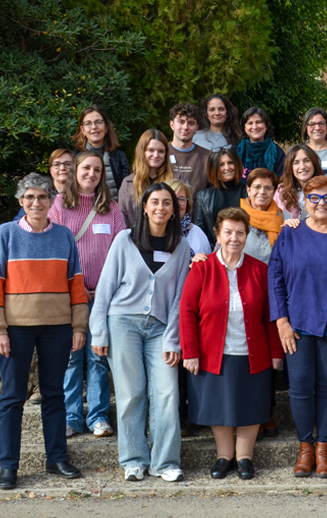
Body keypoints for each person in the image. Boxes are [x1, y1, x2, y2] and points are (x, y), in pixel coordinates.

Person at [0, 173, 88, 490]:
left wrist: (79, 325)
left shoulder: (65, 236)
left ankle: (56, 459)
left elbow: (76, 284)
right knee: (12, 399)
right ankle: (8, 467)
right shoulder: (6, 234)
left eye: (42, 196)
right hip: (15, 329)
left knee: (55, 395)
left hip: (57, 327)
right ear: (20, 202)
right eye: (29, 197)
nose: (36, 202)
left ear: (51, 200)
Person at [90, 182, 191, 483]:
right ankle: (134, 459)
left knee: (167, 393)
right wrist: (98, 333)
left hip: (160, 328)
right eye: (155, 202)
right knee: (131, 393)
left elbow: (179, 300)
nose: (161, 208)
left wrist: (174, 337)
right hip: (122, 323)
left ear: (175, 210)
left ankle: (165, 462)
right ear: (144, 207)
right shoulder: (124, 240)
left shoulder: (182, 246)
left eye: (167, 203)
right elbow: (106, 288)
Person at [269, 176, 327, 478]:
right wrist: (281, 321)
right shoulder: (289, 235)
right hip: (296, 324)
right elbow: (276, 279)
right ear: (304, 201)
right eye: (314, 198)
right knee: (298, 388)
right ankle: (305, 447)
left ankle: (323, 446)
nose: (320, 204)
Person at [180, 208, 284, 480]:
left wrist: (276, 352)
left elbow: (270, 315)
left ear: (246, 235)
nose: (234, 238)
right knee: (219, 406)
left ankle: (245, 457)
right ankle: (225, 456)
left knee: (251, 405)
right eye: (228, 232)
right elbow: (187, 311)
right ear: (217, 234)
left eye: (240, 232)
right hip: (213, 352)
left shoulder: (260, 270)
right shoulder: (202, 268)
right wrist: (189, 352)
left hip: (252, 352)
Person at [48, 151, 126, 439]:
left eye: (96, 169)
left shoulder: (112, 209)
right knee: (70, 357)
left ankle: (98, 417)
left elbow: (122, 253)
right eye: (86, 168)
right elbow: (54, 249)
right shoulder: (58, 206)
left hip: (103, 297)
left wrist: (109, 289)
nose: (91, 173)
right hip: (70, 297)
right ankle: (71, 417)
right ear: (75, 171)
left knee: (97, 356)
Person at [71, 105, 131, 201]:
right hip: (83, 212)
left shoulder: (119, 157)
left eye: (98, 122)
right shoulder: (74, 157)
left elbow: (127, 191)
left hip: (115, 212)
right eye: (88, 123)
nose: (94, 127)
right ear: (82, 130)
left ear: (106, 127)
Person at [118, 129, 176, 229]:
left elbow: (185, 212)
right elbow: (122, 219)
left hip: (169, 239)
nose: (156, 155)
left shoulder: (177, 180)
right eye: (151, 150)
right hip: (135, 240)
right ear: (142, 152)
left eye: (161, 151)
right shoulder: (128, 183)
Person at [193, 149, 247, 246]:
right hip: (214, 251)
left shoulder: (248, 191)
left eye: (230, 163)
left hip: (243, 249)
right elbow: (199, 232)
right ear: (214, 168)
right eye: (221, 165)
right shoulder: (203, 197)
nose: (227, 168)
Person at [239, 168, 284, 263]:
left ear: (274, 192)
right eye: (257, 187)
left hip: (275, 274)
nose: (262, 191)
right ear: (248, 190)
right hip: (244, 274)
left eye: (268, 188)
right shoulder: (237, 217)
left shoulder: (284, 218)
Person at [168, 102, 211, 197]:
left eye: (191, 123)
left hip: (197, 211)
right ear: (172, 125)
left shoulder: (207, 157)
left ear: (196, 127)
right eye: (181, 122)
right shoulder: (161, 153)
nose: (185, 127)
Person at [273, 144, 325, 220]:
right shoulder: (281, 193)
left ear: (314, 164)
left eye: (306, 161)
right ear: (290, 167)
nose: (302, 167)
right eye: (296, 163)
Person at [166, 179, 211, 256]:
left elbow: (208, 265)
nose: (176, 204)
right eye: (171, 199)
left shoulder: (197, 233)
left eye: (181, 199)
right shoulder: (155, 232)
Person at [236, 107, 285, 177]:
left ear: (266, 126)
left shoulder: (278, 153)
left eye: (258, 122)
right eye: (250, 123)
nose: (254, 127)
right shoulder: (235, 153)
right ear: (244, 128)